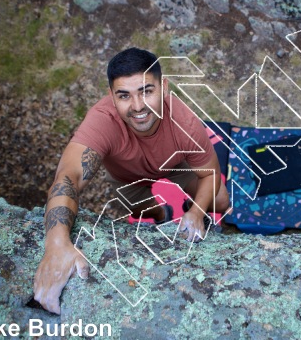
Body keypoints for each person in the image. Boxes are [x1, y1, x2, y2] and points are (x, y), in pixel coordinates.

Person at [33, 47, 230, 314]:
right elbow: (69, 176)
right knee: (143, 212)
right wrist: (56, 244)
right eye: (124, 96)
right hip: (127, 179)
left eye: (146, 91)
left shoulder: (185, 121)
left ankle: (192, 214)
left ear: (164, 87)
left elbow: (208, 175)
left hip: (176, 166)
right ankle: (164, 215)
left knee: (220, 200)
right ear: (111, 97)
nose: (137, 107)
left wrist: (196, 212)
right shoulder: (102, 121)